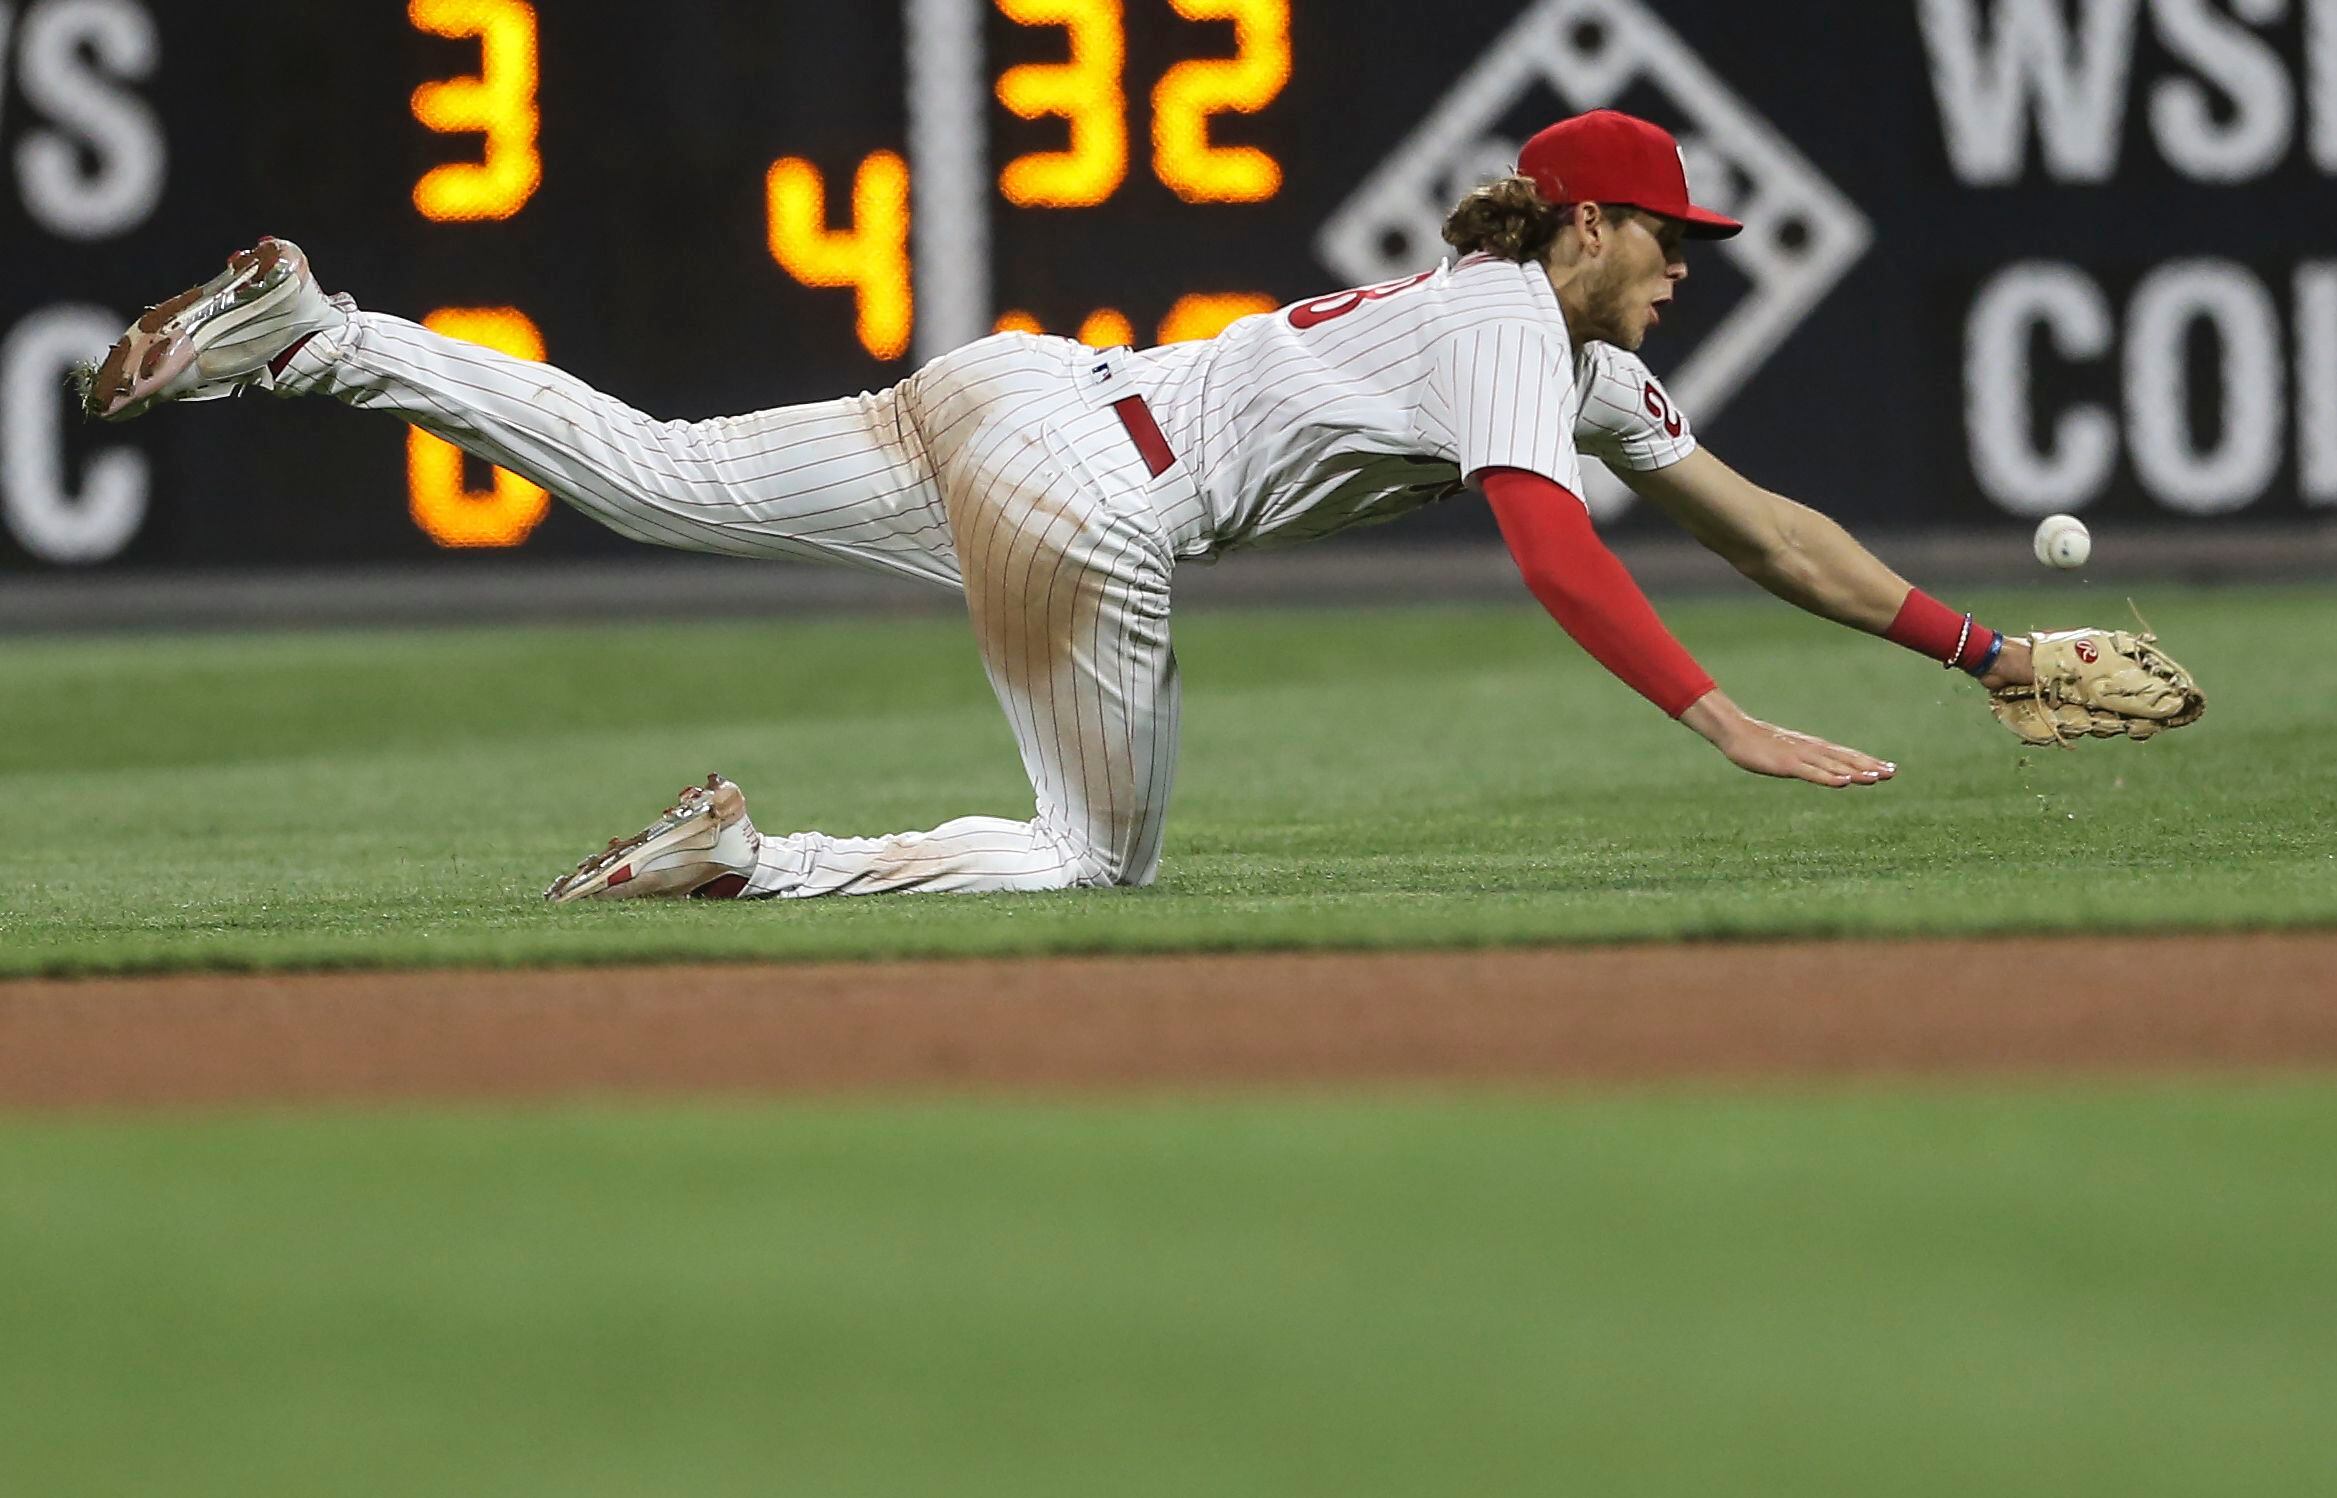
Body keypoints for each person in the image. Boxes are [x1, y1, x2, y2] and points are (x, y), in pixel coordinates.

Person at [82, 108, 2036, 904]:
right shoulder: (1514, 323)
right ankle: (751, 863)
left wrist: (1985, 651)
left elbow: (1761, 521)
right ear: (1589, 220)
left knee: (660, 477)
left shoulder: (1559, 354)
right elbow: (1546, 544)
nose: (1683, 263)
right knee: (1095, 862)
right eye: (1667, 235)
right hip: (1086, 486)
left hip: (1017, 393)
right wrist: (1720, 718)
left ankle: (319, 338)